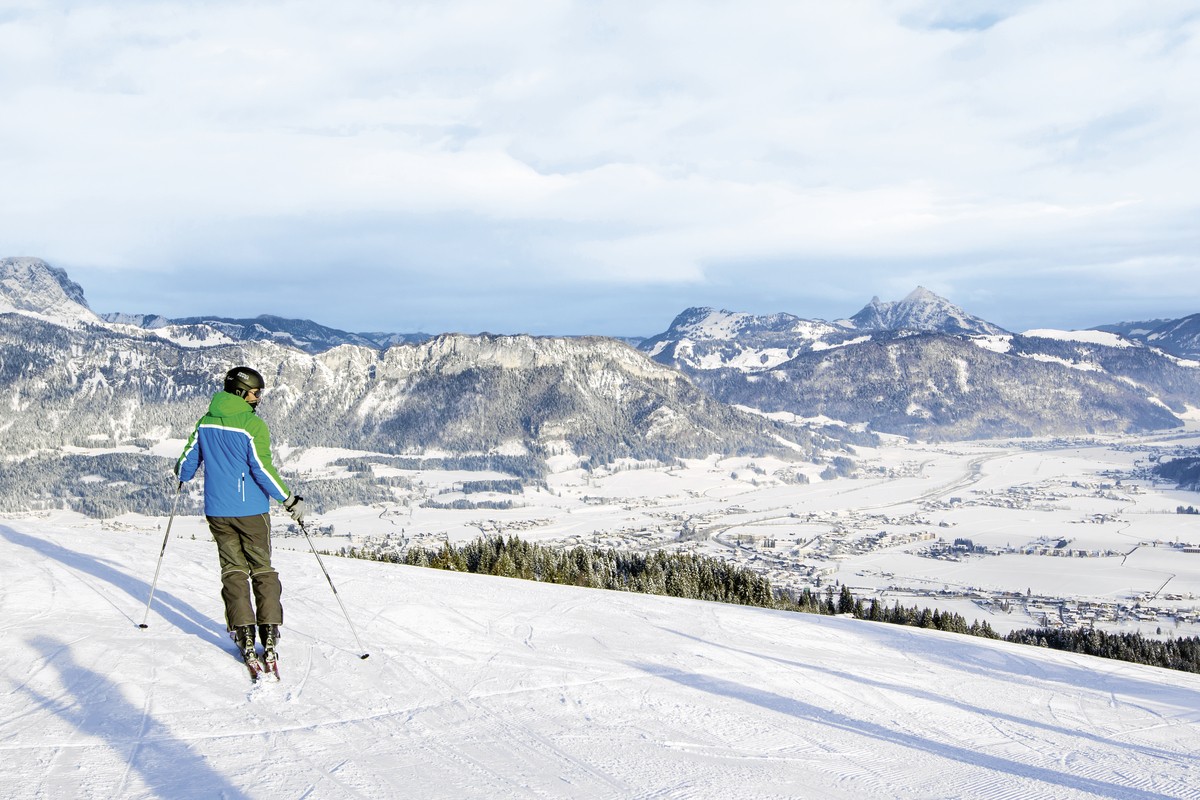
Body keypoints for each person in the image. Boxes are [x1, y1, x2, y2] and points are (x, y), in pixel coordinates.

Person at [175, 365, 305, 672]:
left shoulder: (206, 422)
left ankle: (244, 633)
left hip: (218, 512)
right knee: (262, 569)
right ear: (240, 391)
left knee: (233, 570)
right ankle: (268, 632)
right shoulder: (251, 426)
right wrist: (288, 499)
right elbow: (262, 469)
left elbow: (186, 463)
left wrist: (182, 475)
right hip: (251, 512)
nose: (258, 397)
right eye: (255, 392)